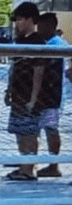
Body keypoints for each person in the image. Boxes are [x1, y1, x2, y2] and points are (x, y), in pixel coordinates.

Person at [1, 1, 49, 181]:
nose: (17, 23)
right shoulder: (19, 41)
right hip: (17, 94)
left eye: (20, 19)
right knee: (20, 131)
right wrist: (8, 91)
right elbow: (14, 68)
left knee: (29, 132)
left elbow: (39, 72)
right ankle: (24, 165)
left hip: (30, 95)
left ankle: (29, 170)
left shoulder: (38, 42)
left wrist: (33, 99)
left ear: (30, 19)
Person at [36, 12, 68, 177]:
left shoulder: (54, 44)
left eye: (41, 26)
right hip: (51, 96)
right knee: (48, 129)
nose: (38, 29)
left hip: (53, 97)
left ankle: (54, 165)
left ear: (50, 26)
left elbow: (51, 73)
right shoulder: (52, 42)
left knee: (51, 129)